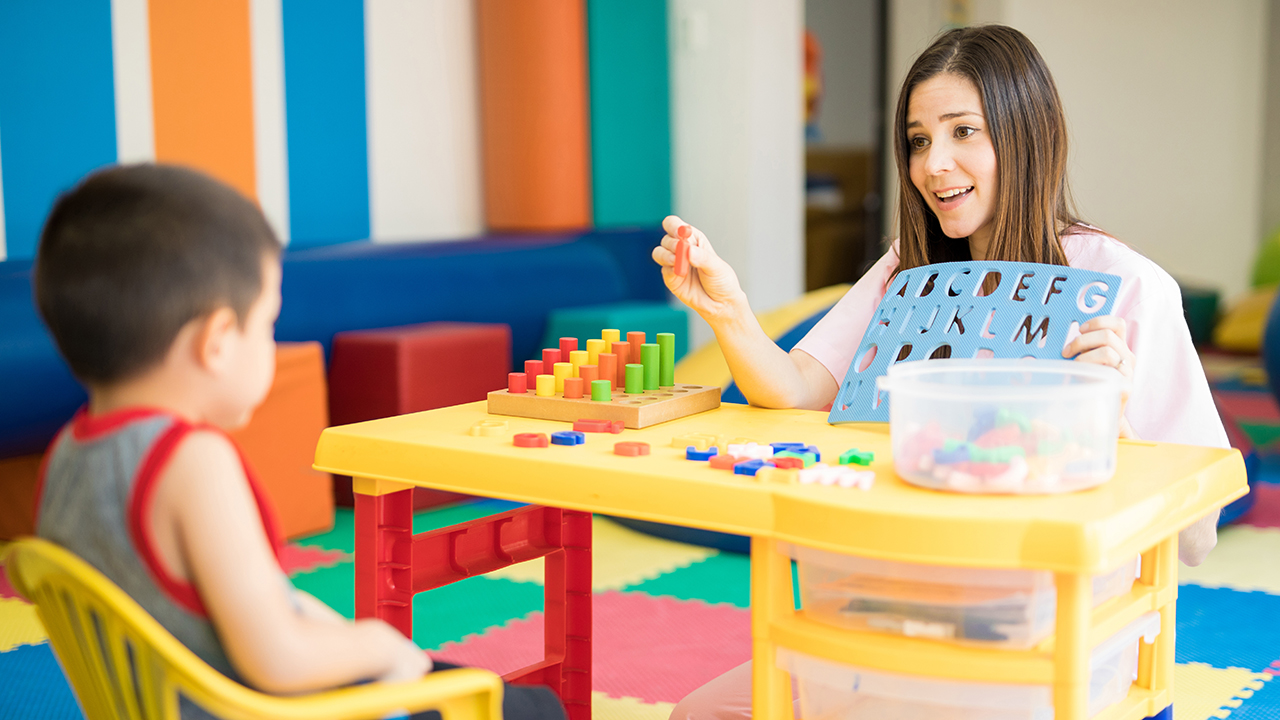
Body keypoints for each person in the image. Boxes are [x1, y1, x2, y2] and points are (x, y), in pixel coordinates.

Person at [654, 24, 1221, 720]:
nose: (935, 165)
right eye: (920, 140)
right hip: (892, 605)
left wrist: (1115, 420)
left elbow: (1198, 534)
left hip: (1048, 642)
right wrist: (729, 309)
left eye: (963, 132)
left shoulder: (1128, 285)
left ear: (1027, 132)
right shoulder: (909, 269)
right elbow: (797, 389)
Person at [32, 164, 566, 720]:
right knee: (529, 708)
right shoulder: (190, 462)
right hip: (270, 710)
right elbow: (279, 660)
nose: (270, 342)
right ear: (216, 342)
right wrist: (379, 643)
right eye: (266, 324)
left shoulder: (67, 455)